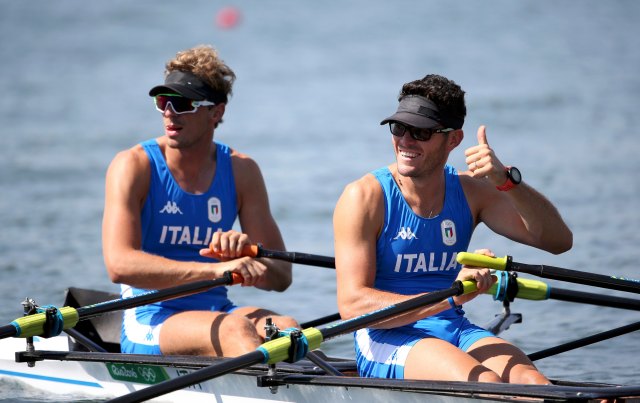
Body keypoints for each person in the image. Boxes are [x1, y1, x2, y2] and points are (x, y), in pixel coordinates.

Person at [333, 74, 573, 383]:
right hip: (384, 336)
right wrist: (450, 295)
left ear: (453, 139)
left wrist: (507, 182)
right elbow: (352, 305)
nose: (405, 141)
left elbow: (558, 241)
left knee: (534, 383)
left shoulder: (471, 191)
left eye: (420, 132)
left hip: (453, 326)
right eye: (398, 128)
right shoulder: (364, 197)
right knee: (487, 384)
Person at [102, 45, 297, 357]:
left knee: (288, 328)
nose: (168, 112)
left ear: (215, 112)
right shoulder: (134, 166)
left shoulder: (241, 170)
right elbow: (119, 264)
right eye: (163, 101)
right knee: (235, 330)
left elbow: (282, 276)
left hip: (216, 309)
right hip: (150, 317)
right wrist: (215, 272)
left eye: (182, 103)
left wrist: (248, 256)